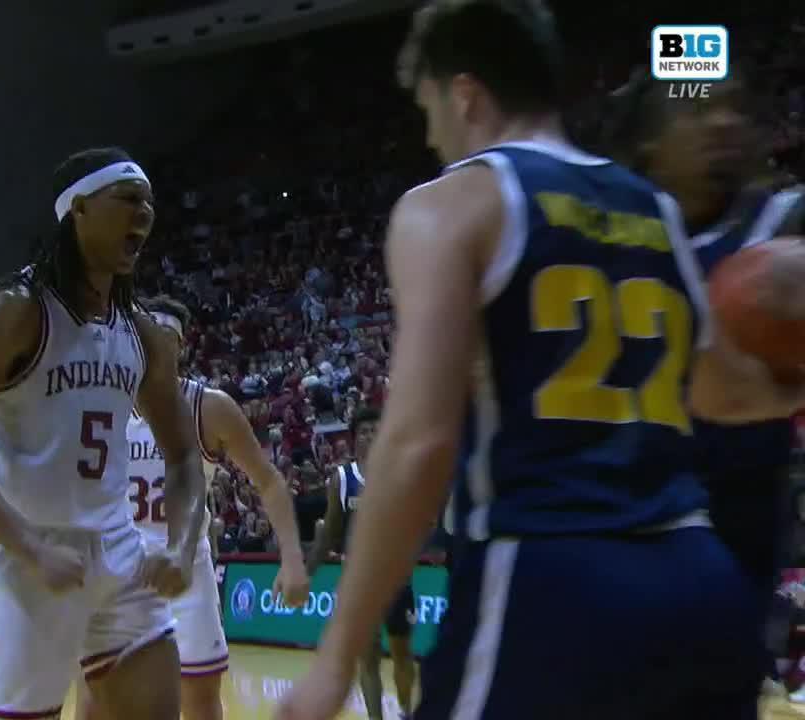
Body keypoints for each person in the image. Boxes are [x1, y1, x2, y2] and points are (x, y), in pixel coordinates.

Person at [275, 2, 805, 719]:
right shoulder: (653, 210)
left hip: (549, 576)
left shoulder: (452, 204)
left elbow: (419, 443)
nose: (431, 135)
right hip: (698, 584)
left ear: (464, 94)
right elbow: (723, 394)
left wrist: (335, 659)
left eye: (427, 109)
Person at [0, 147, 208, 720]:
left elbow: (182, 459)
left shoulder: (144, 335)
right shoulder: (14, 313)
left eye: (150, 203)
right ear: (77, 209)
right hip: (24, 557)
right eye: (129, 199)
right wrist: (30, 546)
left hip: (120, 552)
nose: (145, 214)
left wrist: (178, 546)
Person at [603, 67, 805, 700]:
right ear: (648, 143)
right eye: (695, 110)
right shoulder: (601, 236)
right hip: (621, 523)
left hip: (733, 526)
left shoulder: (784, 221)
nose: (721, 121)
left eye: (730, 106)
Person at [78, 294, 311, 720]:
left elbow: (269, 481)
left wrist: (292, 558)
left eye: (168, 339)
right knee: (96, 703)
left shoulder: (209, 407)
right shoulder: (100, 402)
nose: (157, 347)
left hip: (185, 567)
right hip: (114, 567)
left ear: (181, 347)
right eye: (149, 337)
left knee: (200, 702)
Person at [306, 407, 416, 720]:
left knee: (402, 656)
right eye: (364, 431)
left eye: (375, 430)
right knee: (367, 660)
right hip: (359, 584)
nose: (370, 435)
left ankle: (407, 710)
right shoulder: (343, 479)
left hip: (397, 580)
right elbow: (329, 534)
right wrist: (306, 572)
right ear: (355, 440)